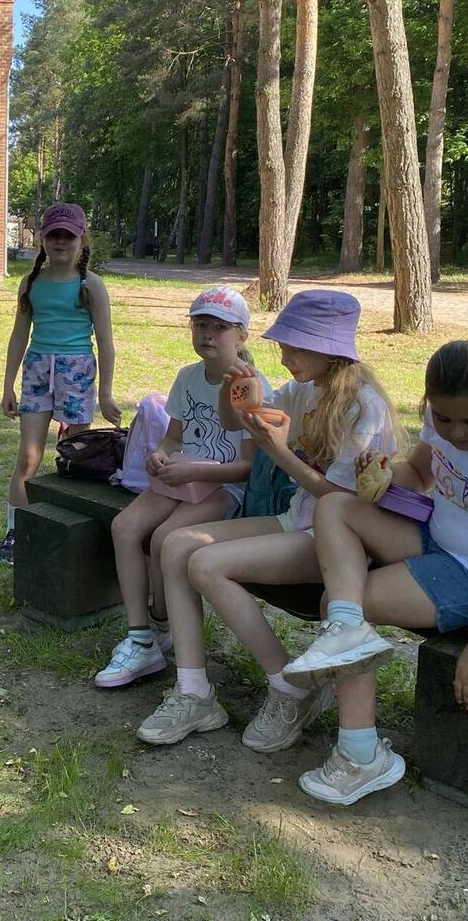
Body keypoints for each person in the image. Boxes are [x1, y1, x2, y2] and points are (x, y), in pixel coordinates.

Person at [279, 340, 468, 805]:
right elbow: (419, 474)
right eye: (444, 419)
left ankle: (360, 754)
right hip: (438, 536)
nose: (457, 432)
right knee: (335, 507)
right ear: (430, 402)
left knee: (337, 601)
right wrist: (383, 471)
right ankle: (346, 631)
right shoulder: (442, 419)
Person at [136, 290, 404, 757]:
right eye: (282, 346)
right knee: (176, 545)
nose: (284, 357)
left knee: (207, 564)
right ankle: (194, 692)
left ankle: (289, 686)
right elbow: (236, 423)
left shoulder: (363, 407)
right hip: (294, 521)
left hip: (336, 544)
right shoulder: (305, 390)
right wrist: (235, 391)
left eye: (294, 348)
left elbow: (339, 502)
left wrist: (280, 452)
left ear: (327, 349)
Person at [96, 286, 269, 689]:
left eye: (219, 327)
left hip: (224, 488)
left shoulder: (251, 386)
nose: (208, 334)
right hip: (181, 479)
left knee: (163, 538)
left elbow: (248, 469)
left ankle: (160, 625)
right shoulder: (187, 377)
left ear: (242, 335)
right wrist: (160, 455)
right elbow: (174, 438)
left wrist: (193, 472)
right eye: (200, 325)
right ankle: (140, 636)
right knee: (124, 526)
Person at [0, 203, 121, 563]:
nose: (61, 241)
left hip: (76, 372)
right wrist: (8, 385)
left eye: (69, 235)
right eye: (54, 235)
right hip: (38, 371)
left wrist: (106, 393)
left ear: (82, 240)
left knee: (76, 457)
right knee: (29, 456)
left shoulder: (90, 285)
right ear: (43, 239)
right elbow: (19, 335)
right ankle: (15, 532)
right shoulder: (31, 283)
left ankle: (73, 534)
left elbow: (106, 342)